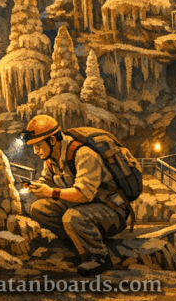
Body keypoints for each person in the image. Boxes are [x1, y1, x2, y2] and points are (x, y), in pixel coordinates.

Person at [24, 115, 130, 276]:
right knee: (39, 208)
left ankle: (99, 257)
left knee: (72, 217)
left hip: (112, 211)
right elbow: (48, 181)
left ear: (52, 140)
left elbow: (84, 194)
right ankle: (74, 242)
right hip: (84, 208)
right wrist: (36, 186)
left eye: (38, 145)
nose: (35, 151)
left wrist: (50, 192)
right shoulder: (51, 158)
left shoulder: (84, 154)